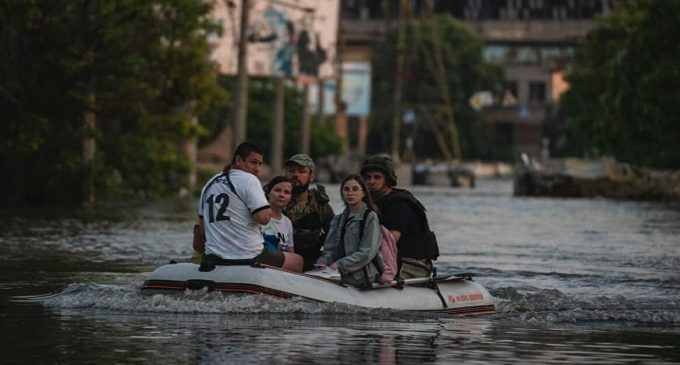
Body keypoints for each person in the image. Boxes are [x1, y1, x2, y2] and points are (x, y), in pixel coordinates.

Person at [195, 142, 300, 272]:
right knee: (297, 261)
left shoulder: (209, 183)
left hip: (212, 258)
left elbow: (201, 231)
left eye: (260, 164)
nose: (257, 169)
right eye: (253, 162)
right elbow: (263, 218)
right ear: (238, 160)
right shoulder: (249, 179)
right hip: (249, 256)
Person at [360, 154, 440, 279]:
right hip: (383, 260)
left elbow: (390, 241)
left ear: (387, 179)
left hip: (411, 264)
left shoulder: (400, 204)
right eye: (368, 177)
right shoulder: (366, 202)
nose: (371, 181)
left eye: (377, 177)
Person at [316, 174, 384, 288]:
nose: (350, 193)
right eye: (346, 189)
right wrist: (322, 262)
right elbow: (330, 249)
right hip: (336, 273)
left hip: (361, 275)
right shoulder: (338, 219)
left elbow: (367, 252)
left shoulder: (370, 217)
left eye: (355, 189)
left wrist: (339, 265)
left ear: (363, 193)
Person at [284, 154, 335, 271]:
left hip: (311, 264)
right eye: (291, 171)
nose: (295, 175)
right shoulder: (274, 199)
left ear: (311, 176)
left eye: (302, 171)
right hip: (280, 261)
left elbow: (334, 237)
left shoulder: (321, 206)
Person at [261, 176, 303, 272]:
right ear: (268, 192)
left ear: (290, 198)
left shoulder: (287, 222)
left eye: (286, 192)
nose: (281, 195)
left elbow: (291, 252)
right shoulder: (258, 217)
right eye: (277, 190)